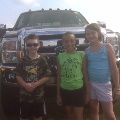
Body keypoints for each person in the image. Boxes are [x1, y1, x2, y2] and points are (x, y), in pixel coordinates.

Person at [85, 23, 120, 120]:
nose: (90, 35)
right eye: (88, 34)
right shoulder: (87, 51)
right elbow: (86, 69)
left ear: (98, 33)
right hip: (91, 84)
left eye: (93, 33)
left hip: (104, 85)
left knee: (108, 113)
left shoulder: (107, 47)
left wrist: (117, 87)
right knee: (93, 110)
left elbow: (114, 68)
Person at [15, 34, 51, 120]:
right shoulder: (22, 60)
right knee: (24, 117)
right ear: (26, 46)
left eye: (35, 44)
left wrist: (35, 84)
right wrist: (25, 85)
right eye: (29, 45)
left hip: (39, 96)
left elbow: (47, 75)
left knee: (38, 116)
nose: (32, 47)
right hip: (24, 96)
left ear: (39, 45)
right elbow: (18, 75)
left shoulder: (42, 60)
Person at [56, 32, 89, 120]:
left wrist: (87, 93)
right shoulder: (60, 56)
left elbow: (85, 73)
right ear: (63, 43)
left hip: (78, 89)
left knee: (79, 116)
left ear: (75, 41)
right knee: (70, 114)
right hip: (65, 90)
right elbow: (59, 75)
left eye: (71, 40)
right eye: (66, 41)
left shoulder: (81, 55)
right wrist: (58, 95)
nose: (69, 43)